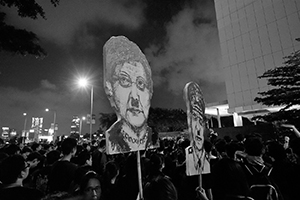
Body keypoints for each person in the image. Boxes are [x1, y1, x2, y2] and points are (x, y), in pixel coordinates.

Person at [103, 36, 158, 154]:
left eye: (141, 84)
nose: (134, 97)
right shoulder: (113, 140)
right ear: (110, 89)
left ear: (150, 93)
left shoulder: (152, 138)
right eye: (124, 81)